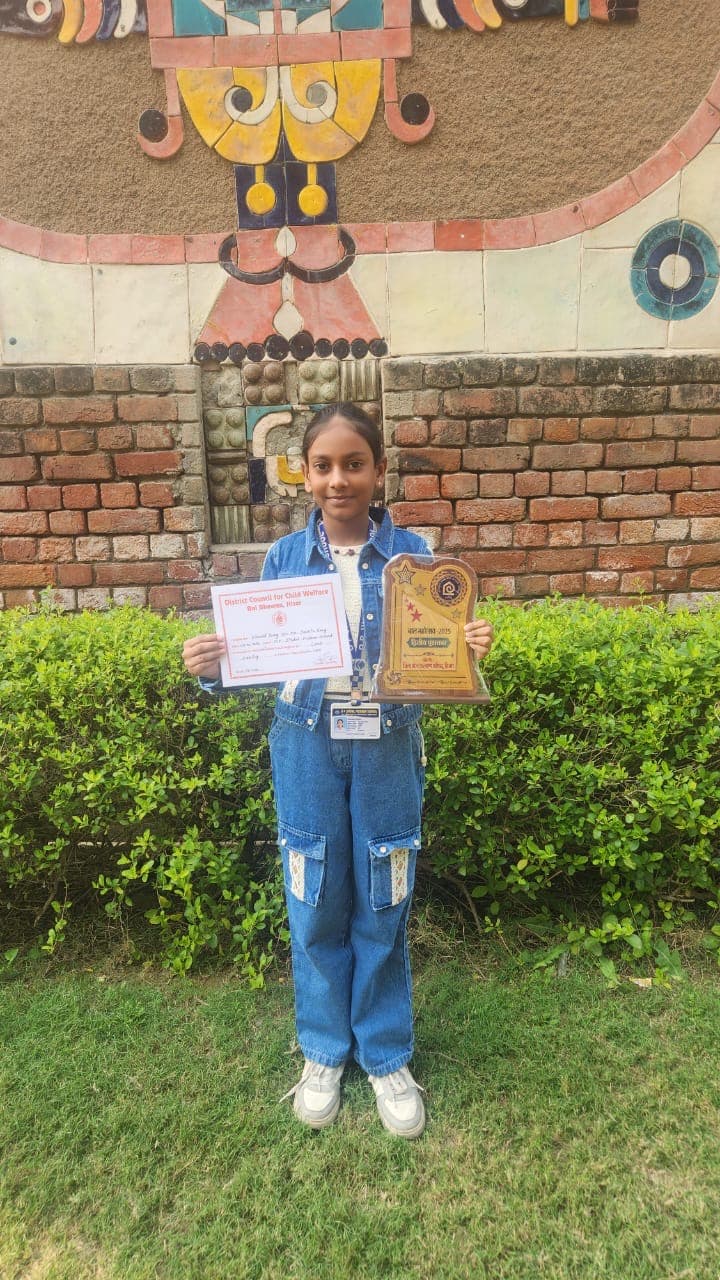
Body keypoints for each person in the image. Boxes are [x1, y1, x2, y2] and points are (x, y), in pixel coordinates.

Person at [182, 402, 493, 1139]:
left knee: (384, 892)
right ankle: (324, 1050)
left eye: (354, 463)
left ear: (378, 470)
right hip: (306, 744)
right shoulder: (285, 559)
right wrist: (214, 666)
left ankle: (385, 1054)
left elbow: (435, 659)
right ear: (305, 475)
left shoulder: (416, 555)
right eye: (323, 465)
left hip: (386, 744)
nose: (338, 479)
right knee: (314, 891)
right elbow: (257, 656)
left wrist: (466, 648)